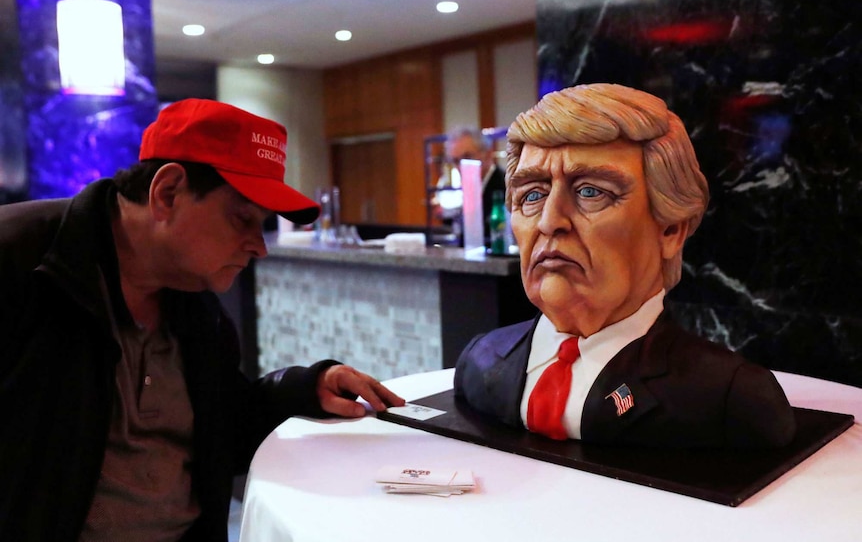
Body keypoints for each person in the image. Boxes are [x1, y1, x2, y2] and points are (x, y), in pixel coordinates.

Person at [0, 98, 405, 541]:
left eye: (264, 224)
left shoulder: (195, 301)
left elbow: (221, 431)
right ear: (167, 193)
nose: (259, 246)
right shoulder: (19, 261)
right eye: (242, 219)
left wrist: (304, 387)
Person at [454, 84, 796, 449]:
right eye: (533, 195)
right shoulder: (480, 362)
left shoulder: (732, 398)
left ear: (670, 229)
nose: (550, 221)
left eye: (590, 191)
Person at [437, 126, 506, 247]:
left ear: (488, 154)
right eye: (456, 161)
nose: (461, 166)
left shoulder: (506, 184)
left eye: (467, 157)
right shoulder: (471, 189)